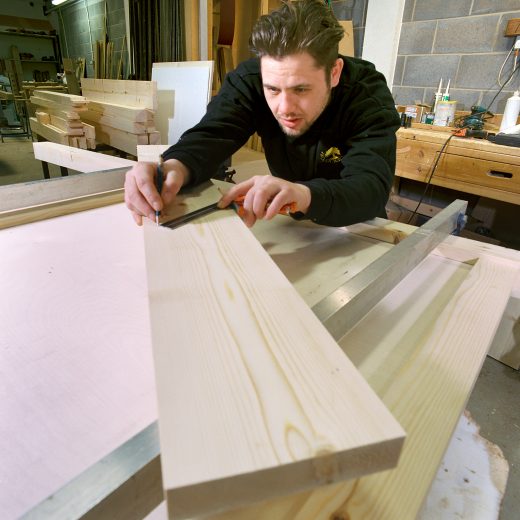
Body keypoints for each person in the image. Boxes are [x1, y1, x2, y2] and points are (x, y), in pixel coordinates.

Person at [124, 0, 400, 228]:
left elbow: (371, 188)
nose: (284, 108)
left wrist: (304, 193)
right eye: (273, 89)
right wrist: (174, 167)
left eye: (301, 89)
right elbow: (213, 134)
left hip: (356, 225)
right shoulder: (250, 80)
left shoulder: (367, 95)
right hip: (291, 222)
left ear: (335, 72)